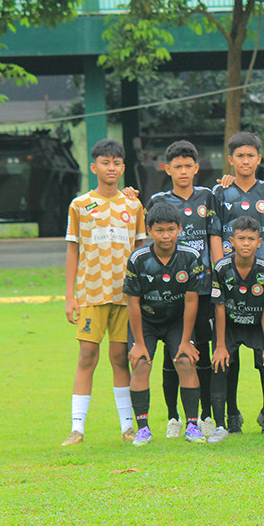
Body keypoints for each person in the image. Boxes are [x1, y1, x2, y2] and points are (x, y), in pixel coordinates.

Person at [61, 139, 146, 446]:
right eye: (105, 163)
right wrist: (71, 296)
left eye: (117, 163)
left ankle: (127, 428)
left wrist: (142, 293)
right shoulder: (80, 205)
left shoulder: (133, 206)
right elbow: (73, 251)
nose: (111, 168)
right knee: (87, 356)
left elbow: (139, 250)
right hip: (91, 295)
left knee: (120, 357)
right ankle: (77, 429)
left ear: (123, 168)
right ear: (94, 167)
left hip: (125, 297)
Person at [212, 132, 264, 433]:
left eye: (251, 155)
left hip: (259, 278)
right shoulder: (220, 192)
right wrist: (222, 266)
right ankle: (229, 416)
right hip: (229, 277)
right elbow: (216, 232)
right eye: (240, 156)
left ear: (260, 158)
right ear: (230, 160)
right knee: (225, 358)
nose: (245, 161)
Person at [146, 140, 223, 439]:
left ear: (196, 168)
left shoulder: (208, 196)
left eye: (188, 166)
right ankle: (172, 417)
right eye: (176, 166)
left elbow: (214, 236)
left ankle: (203, 415)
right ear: (167, 169)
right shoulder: (157, 200)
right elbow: (148, 239)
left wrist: (218, 275)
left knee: (199, 350)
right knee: (172, 353)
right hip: (172, 291)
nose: (183, 171)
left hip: (202, 288)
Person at [124, 203, 206, 446]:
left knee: (185, 360)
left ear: (179, 229)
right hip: (146, 321)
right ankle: (143, 430)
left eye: (171, 229)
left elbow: (192, 299)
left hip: (176, 321)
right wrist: (139, 343)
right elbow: (133, 303)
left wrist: (184, 341)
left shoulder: (191, 257)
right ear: (150, 230)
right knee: (140, 363)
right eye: (160, 230)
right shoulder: (138, 259)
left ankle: (192, 425)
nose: (166, 235)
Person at [209, 216, 264, 445]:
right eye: (241, 238)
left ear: (259, 242)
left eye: (251, 239)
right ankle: (221, 425)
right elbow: (219, 307)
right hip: (229, 325)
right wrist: (220, 346)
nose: (246, 243)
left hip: (256, 325)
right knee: (220, 365)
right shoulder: (221, 268)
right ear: (231, 241)